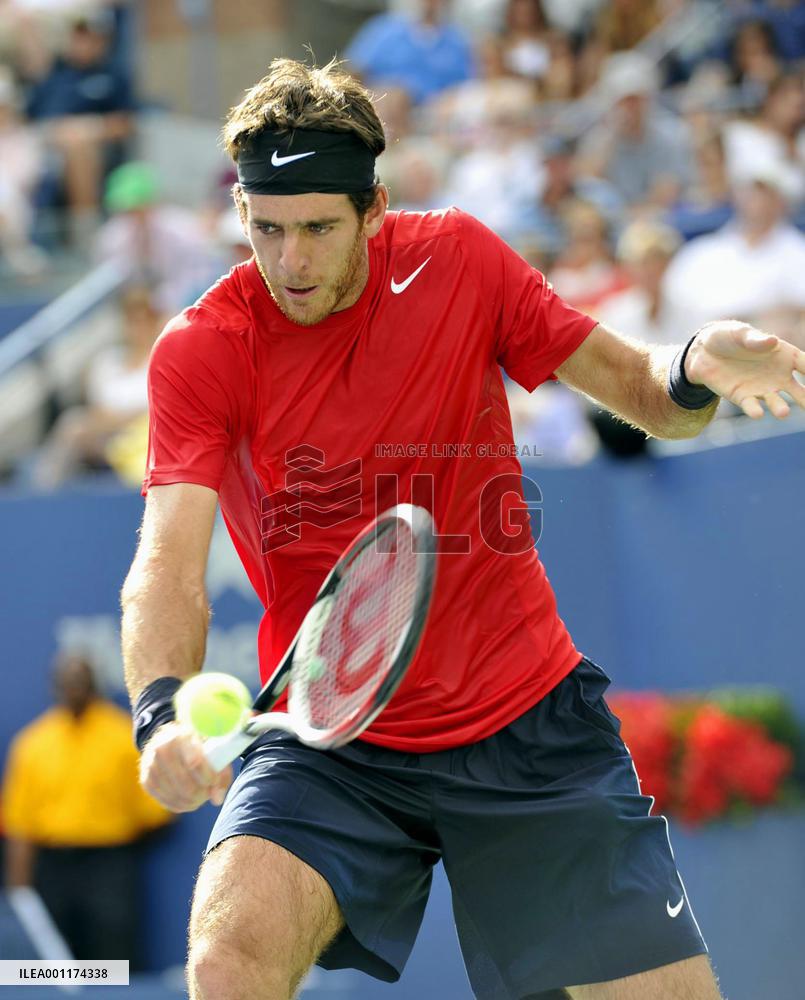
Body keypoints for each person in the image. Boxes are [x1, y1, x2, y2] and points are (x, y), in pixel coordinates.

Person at [123, 58, 805, 1000]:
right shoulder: (203, 348)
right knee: (228, 957)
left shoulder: (459, 260)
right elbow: (166, 562)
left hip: (525, 718)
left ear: (375, 208)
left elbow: (648, 395)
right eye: (266, 229)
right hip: (332, 733)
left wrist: (692, 366)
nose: (291, 262)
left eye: (319, 228)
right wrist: (157, 713)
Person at [2, 653, 171, 967]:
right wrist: (19, 893)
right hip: (53, 865)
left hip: (109, 863)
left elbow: (156, 811)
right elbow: (19, 824)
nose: (74, 689)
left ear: (94, 684)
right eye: (67, 682)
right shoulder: (33, 743)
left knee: (114, 953)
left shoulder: (122, 737)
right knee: (52, 958)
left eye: (81, 681)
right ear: (55, 687)